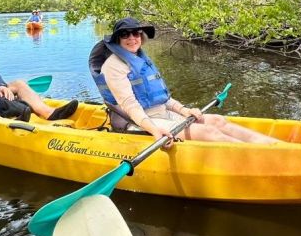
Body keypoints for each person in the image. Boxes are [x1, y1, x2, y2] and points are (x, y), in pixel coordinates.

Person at [89, 17, 278, 144]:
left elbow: (164, 98)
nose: (132, 38)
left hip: (163, 114)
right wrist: (154, 130)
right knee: (208, 133)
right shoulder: (113, 65)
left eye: (136, 33)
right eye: (125, 35)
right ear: (117, 39)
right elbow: (130, 105)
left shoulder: (141, 58)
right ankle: (264, 157)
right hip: (139, 121)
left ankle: (274, 147)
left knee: (218, 121)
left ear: (141, 36)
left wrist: (184, 110)